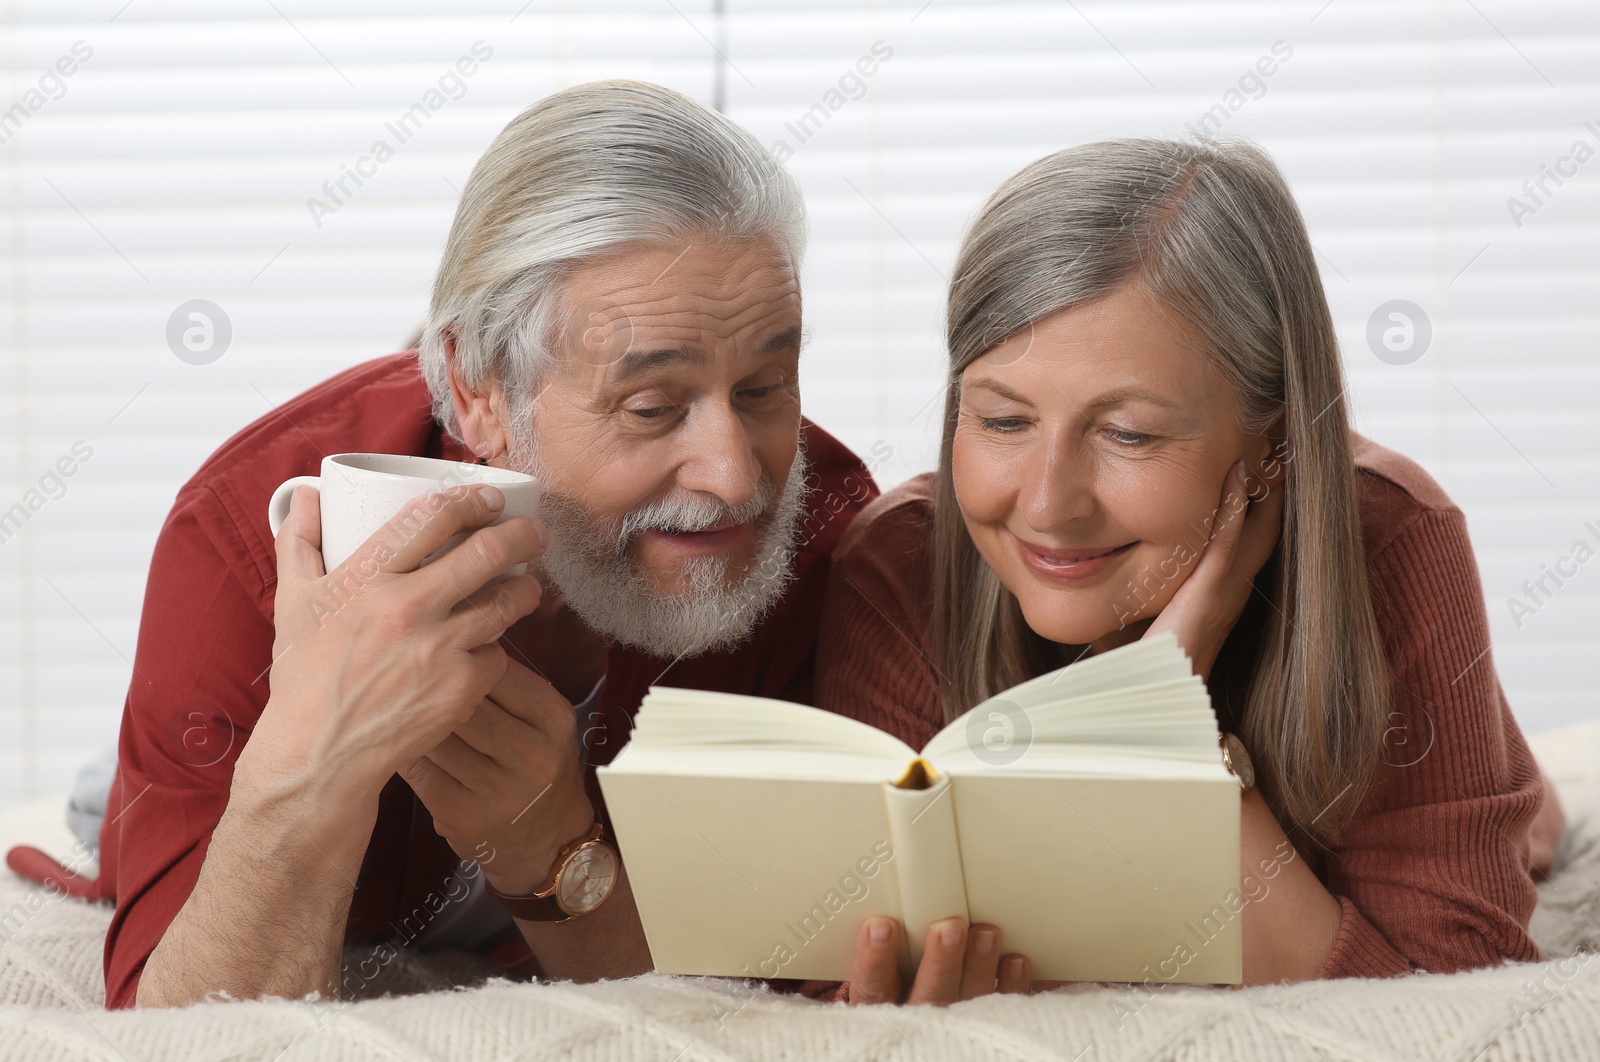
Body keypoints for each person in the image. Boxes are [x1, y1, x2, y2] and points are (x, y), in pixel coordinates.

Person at [12, 79, 882, 1009]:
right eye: (652, 407)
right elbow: (176, 1025)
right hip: (183, 776)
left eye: (763, 388)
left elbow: (790, 979)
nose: (737, 476)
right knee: (109, 803)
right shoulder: (241, 536)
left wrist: (551, 848)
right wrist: (315, 758)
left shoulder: (821, 532)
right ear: (478, 393)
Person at [817, 136, 1566, 1005]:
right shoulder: (899, 561)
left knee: (1540, 831)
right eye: (1004, 420)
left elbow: (1452, 1002)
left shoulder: (1394, 539)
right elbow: (834, 970)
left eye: (1128, 433)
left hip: (1493, 806)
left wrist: (1157, 722)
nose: (1051, 504)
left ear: (1276, 443)